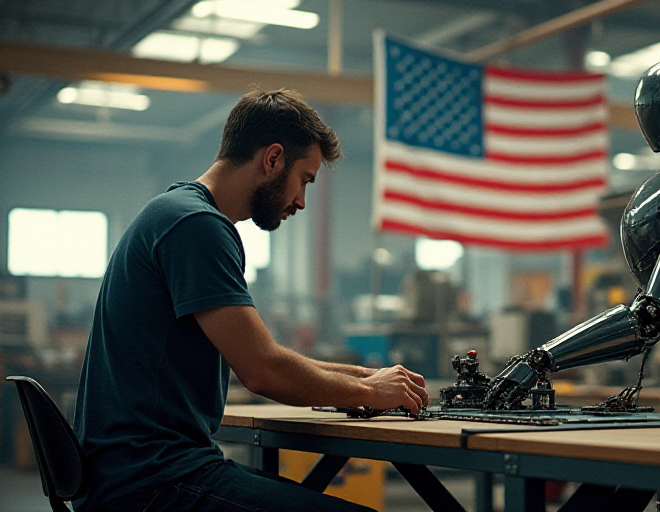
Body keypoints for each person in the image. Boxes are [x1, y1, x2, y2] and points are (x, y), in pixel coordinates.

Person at [72, 88, 430, 512]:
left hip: (144, 472)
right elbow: (262, 369)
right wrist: (368, 391)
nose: (301, 201)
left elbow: (266, 356)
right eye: (305, 180)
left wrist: (368, 378)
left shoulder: (177, 213)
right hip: (150, 482)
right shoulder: (196, 225)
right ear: (273, 159)